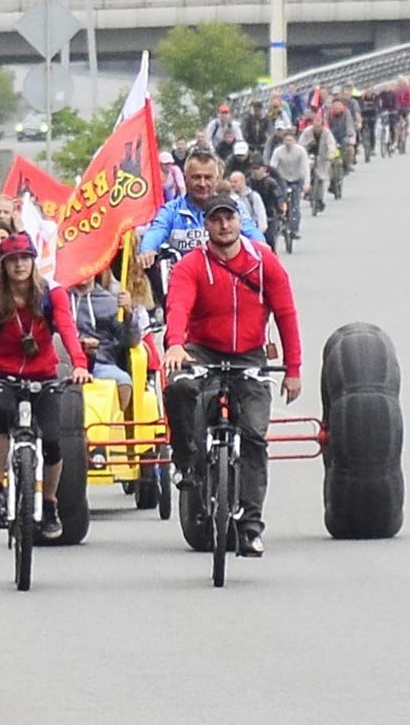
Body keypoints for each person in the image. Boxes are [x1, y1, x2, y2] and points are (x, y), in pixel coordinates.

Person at [161, 186, 302, 557]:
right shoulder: (191, 265)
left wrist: (293, 368)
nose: (223, 225)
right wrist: (175, 343)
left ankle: (252, 527)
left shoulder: (264, 261)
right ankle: (186, 463)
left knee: (254, 437)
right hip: (201, 350)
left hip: (250, 356)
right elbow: (177, 305)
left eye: (229, 217)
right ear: (206, 225)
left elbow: (286, 313)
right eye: (216, 219)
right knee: (179, 389)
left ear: (241, 221)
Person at [0, 233, 91, 535]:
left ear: (34, 261)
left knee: (52, 439)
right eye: (12, 260)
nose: (19, 265)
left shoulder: (51, 294)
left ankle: (49, 504)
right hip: (4, 374)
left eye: (25, 258)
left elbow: (68, 331)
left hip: (43, 374)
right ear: (2, 265)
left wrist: (80, 364)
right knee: (1, 415)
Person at [138, 149, 263, 268]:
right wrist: (147, 250)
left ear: (217, 179)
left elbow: (252, 232)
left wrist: (262, 246)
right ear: (185, 177)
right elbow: (156, 230)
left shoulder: (233, 207)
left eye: (208, 178)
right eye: (196, 177)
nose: (202, 184)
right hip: (182, 280)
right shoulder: (171, 210)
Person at [71, 268, 144, 412]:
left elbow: (131, 341)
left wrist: (129, 313)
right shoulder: (60, 298)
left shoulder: (110, 302)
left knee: (123, 381)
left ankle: (116, 428)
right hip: (66, 362)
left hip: (101, 362)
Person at [268, 131, 308, 240]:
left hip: (297, 179)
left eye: (290, 140)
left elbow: (305, 168)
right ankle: (281, 221)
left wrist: (307, 183)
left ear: (294, 140)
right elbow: (272, 167)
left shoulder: (300, 151)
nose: (288, 143)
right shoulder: (278, 152)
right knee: (282, 201)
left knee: (295, 205)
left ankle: (294, 229)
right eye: (286, 140)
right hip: (283, 179)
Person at [227, 170, 267, 235]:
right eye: (231, 182)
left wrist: (257, 236)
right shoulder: (229, 197)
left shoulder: (253, 197)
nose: (233, 184)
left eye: (235, 182)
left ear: (243, 181)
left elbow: (262, 219)